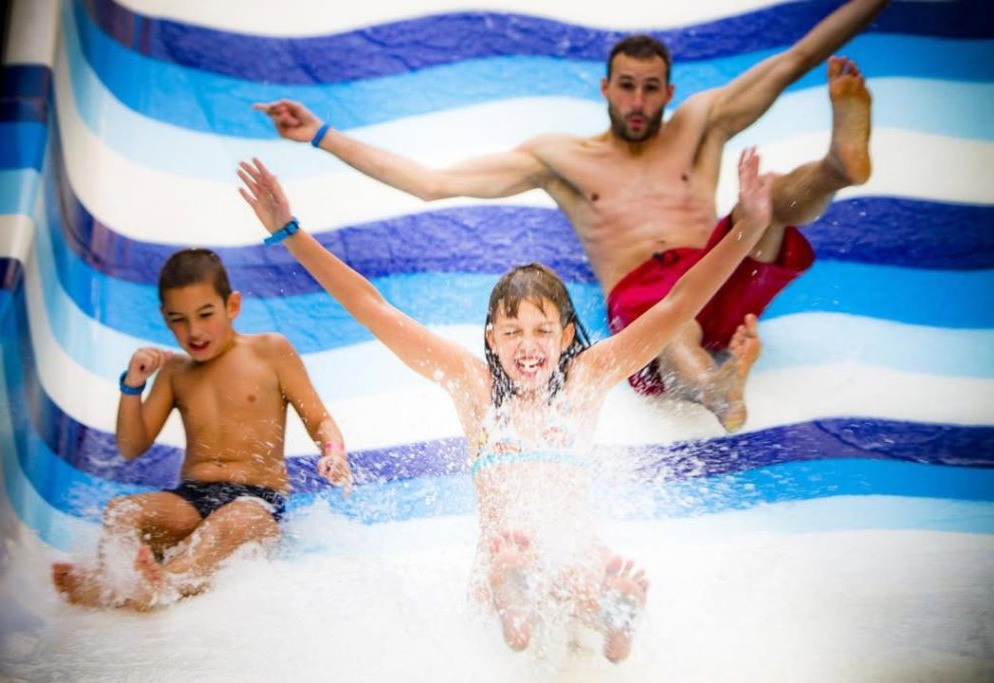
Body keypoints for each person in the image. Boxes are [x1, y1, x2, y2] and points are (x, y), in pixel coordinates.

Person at [237, 147, 773, 662]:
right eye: (512, 331)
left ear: (566, 337)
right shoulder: (472, 386)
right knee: (509, 559)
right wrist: (290, 232)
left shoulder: (585, 379)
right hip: (501, 562)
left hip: (575, 560)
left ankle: (611, 620)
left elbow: (677, 303)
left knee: (581, 568)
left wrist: (747, 229)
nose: (527, 345)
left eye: (542, 330)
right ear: (491, 339)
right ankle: (517, 600)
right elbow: (373, 308)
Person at [254, 0, 884, 431]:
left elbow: (798, 57)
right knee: (668, 327)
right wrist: (322, 135)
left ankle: (838, 167)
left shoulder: (701, 124)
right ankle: (714, 389)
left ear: (669, 91)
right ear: (605, 88)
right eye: (626, 85)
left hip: (716, 271)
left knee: (768, 202)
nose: (638, 100)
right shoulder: (563, 160)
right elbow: (431, 183)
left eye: (651, 88)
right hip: (646, 296)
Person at [51, 248, 352, 610]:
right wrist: (133, 386)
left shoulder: (270, 351)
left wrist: (333, 452)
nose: (194, 331)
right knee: (122, 511)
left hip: (256, 502)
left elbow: (319, 419)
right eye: (179, 319)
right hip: (191, 500)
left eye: (205, 314)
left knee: (230, 523)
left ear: (232, 306)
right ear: (164, 318)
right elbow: (132, 446)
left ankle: (166, 581)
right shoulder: (175, 372)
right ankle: (113, 582)